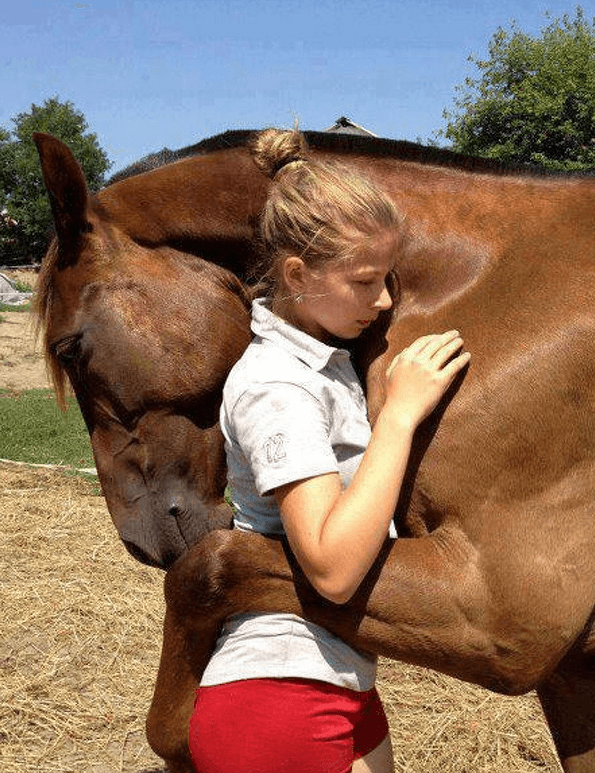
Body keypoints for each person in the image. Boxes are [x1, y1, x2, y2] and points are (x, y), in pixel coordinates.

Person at [188, 128, 470, 773]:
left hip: (336, 678)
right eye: (364, 280)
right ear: (295, 274)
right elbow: (331, 569)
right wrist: (398, 417)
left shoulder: (321, 361)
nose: (385, 300)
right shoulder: (275, 386)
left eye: (388, 277)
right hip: (275, 699)